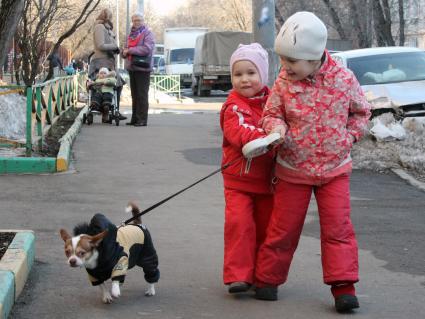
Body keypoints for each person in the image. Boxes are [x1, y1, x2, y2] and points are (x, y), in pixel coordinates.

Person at [253, 12, 371, 313]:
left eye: (291, 61)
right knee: (283, 228)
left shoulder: (344, 79)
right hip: (293, 168)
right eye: (282, 60)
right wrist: (275, 130)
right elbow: (271, 114)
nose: (285, 67)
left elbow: (361, 113)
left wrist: (350, 138)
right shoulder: (284, 81)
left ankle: (343, 286)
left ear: (314, 56)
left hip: (335, 170)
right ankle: (268, 279)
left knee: (338, 228)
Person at [220, 43, 275, 294]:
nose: (244, 79)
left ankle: (261, 275)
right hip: (238, 181)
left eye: (251, 73)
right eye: (238, 74)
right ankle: (238, 276)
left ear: (262, 74)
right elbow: (237, 131)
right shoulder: (233, 106)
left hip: (269, 181)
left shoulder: (275, 103)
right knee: (240, 227)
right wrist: (266, 136)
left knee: (266, 230)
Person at [90, 8, 126, 120]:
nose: (111, 19)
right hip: (101, 61)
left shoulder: (108, 29)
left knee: (117, 85)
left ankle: (114, 111)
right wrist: (115, 47)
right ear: (105, 17)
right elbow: (100, 45)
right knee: (101, 86)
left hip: (109, 61)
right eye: (110, 17)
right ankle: (106, 113)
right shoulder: (99, 27)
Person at [122, 12, 155, 127]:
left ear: (143, 21)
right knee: (134, 95)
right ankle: (135, 118)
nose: (137, 22)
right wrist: (124, 52)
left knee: (142, 94)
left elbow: (146, 49)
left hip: (143, 68)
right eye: (135, 20)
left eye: (139, 20)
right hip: (132, 67)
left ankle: (142, 120)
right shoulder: (131, 34)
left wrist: (130, 50)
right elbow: (126, 48)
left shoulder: (147, 33)